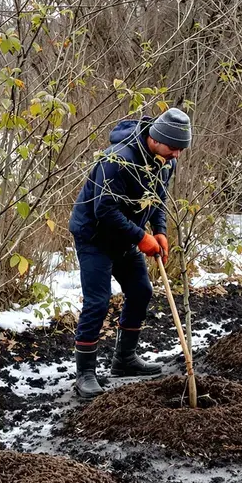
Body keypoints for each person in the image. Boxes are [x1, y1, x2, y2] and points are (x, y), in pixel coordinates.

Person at [67, 107, 192, 399]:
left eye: (181, 150)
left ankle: (124, 360)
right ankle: (85, 373)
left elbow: (158, 199)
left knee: (140, 290)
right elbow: (105, 210)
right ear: (156, 137)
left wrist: (159, 231)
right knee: (98, 301)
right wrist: (142, 238)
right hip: (94, 236)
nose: (176, 155)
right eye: (173, 147)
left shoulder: (164, 161)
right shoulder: (118, 160)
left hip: (126, 235)